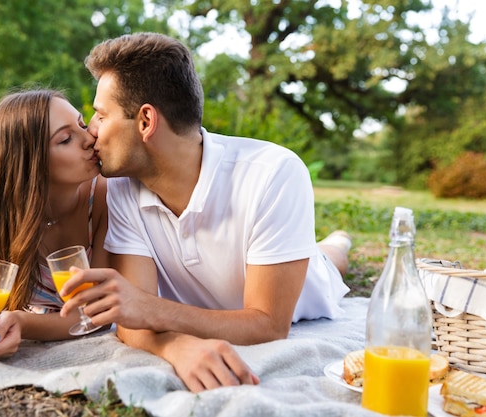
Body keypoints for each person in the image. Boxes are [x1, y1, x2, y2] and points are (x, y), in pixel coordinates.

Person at [59, 32, 351, 392]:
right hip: (220, 287)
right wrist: (176, 345)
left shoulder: (272, 173)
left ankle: (339, 241)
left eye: (101, 115)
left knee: (329, 259)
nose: (91, 131)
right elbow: (132, 315)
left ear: (146, 122)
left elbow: (268, 325)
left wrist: (153, 310)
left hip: (305, 282)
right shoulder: (122, 185)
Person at [0, 89, 110, 358]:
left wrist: (22, 324)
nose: (89, 139)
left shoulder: (105, 193)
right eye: (66, 139)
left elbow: (97, 313)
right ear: (29, 162)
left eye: (83, 124)